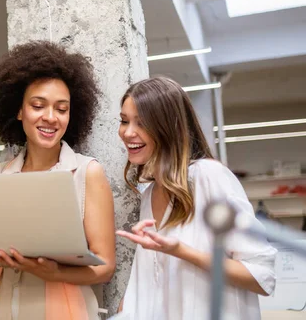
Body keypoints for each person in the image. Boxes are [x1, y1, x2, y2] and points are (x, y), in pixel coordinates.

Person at [0, 41, 116, 320]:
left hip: (64, 309)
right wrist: (2, 255)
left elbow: (105, 267)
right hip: (2, 309)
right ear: (19, 110)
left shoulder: (86, 173)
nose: (50, 117)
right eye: (38, 105)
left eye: (62, 109)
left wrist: (55, 271)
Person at [115, 77, 277, 319]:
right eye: (124, 121)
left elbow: (261, 276)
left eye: (142, 123)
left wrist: (182, 251)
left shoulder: (210, 177)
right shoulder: (149, 194)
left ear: (168, 126)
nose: (128, 133)